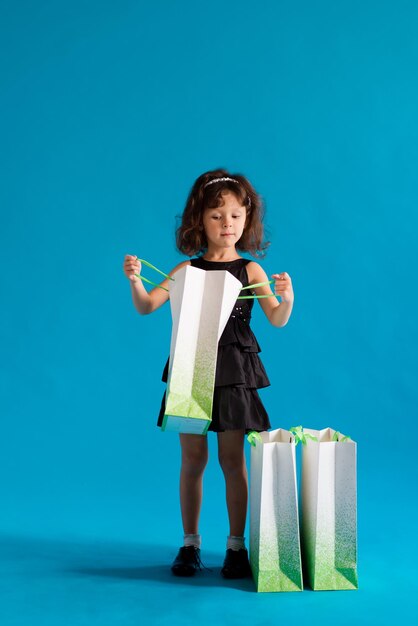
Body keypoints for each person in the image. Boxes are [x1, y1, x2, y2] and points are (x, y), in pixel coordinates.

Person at [123, 168, 294, 580]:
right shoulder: (184, 271)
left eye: (235, 216)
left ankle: (236, 547)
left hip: (233, 374)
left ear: (246, 219)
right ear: (200, 221)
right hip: (191, 369)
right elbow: (147, 306)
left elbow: (277, 318)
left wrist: (287, 297)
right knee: (192, 459)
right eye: (217, 217)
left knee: (232, 460)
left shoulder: (251, 271)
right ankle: (190, 543)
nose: (227, 225)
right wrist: (133, 280)